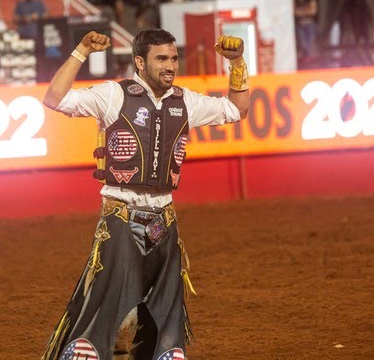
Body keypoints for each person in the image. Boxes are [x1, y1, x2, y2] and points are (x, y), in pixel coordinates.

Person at [40, 28, 250, 360]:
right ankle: (88, 346)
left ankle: (165, 349)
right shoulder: (114, 95)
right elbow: (54, 99)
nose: (170, 66)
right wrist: (80, 51)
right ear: (140, 61)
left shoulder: (186, 101)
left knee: (166, 298)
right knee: (110, 287)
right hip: (120, 211)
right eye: (161, 59)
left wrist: (237, 63)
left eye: (174, 58)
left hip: (164, 216)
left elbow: (237, 110)